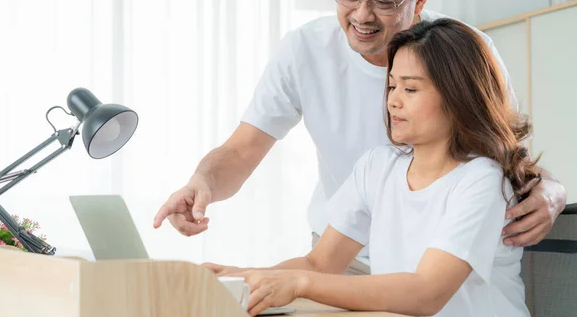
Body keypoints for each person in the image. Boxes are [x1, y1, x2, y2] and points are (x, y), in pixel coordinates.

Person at [153, 0, 566, 274]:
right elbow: (243, 151)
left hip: (438, 252)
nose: (362, 15)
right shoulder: (308, 52)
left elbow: (508, 151)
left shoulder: (463, 51)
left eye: (383, 1)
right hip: (340, 249)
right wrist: (201, 183)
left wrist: (551, 190)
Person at [207, 18, 534, 316]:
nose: (393, 100)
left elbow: (426, 293)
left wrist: (299, 284)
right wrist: (239, 278)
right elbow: (319, 263)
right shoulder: (378, 167)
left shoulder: (481, 181)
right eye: (391, 86)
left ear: (458, 96)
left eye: (410, 88)